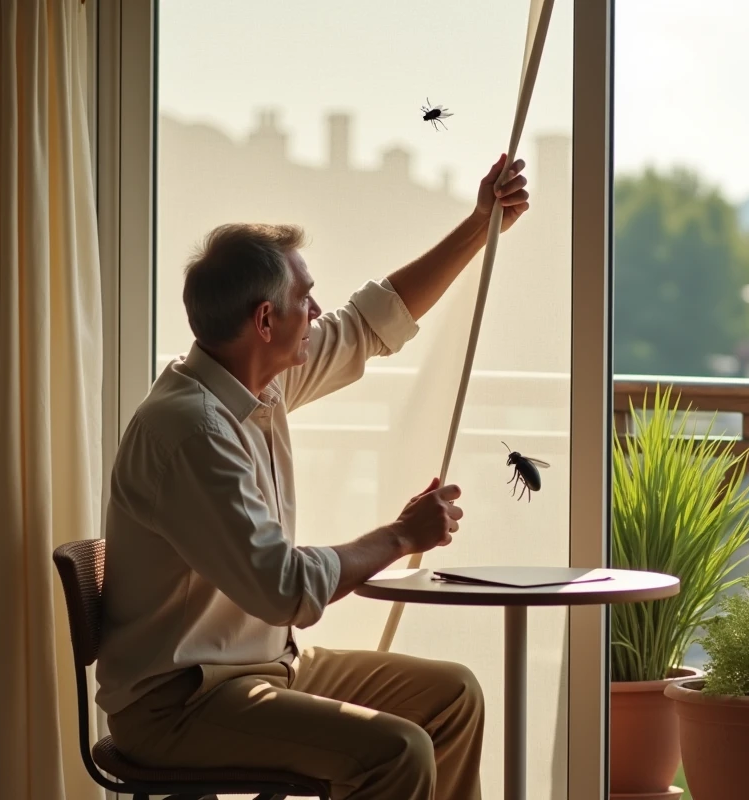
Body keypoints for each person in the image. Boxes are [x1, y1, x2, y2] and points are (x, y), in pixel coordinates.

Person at [95, 154, 531, 800]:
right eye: (305, 297)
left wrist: (480, 223)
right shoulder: (193, 432)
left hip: (262, 667)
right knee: (399, 752)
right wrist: (402, 536)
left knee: (453, 699)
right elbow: (286, 590)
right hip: (181, 702)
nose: (317, 309)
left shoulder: (256, 384)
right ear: (265, 321)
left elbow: (366, 326)